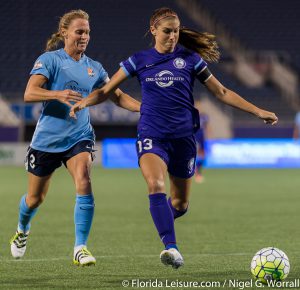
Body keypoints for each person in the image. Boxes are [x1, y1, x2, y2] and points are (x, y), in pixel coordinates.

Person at [70, 7, 278, 269]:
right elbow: (106, 90)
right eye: (167, 31)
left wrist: (257, 110)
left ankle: (162, 217)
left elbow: (222, 92)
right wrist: (84, 102)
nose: (172, 36)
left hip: (184, 139)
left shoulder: (190, 60)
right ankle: (171, 248)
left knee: (179, 204)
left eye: (176, 31)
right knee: (156, 185)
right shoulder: (139, 60)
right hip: (152, 135)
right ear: (154, 30)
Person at [10, 9, 140, 266]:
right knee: (35, 198)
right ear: (64, 33)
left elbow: (117, 96)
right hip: (47, 140)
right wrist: (57, 94)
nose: (84, 37)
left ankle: (80, 247)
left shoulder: (95, 68)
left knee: (84, 179)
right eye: (79, 31)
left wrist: (145, 108)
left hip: (78, 136)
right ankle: (22, 230)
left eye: (87, 32)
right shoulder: (50, 60)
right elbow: (30, 92)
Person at [194, 102, 209, 183]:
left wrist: (208, 135)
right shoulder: (192, 116)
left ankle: (198, 172)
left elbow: (207, 127)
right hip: (195, 136)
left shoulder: (204, 116)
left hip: (202, 136)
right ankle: (195, 172)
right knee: (194, 154)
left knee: (202, 154)